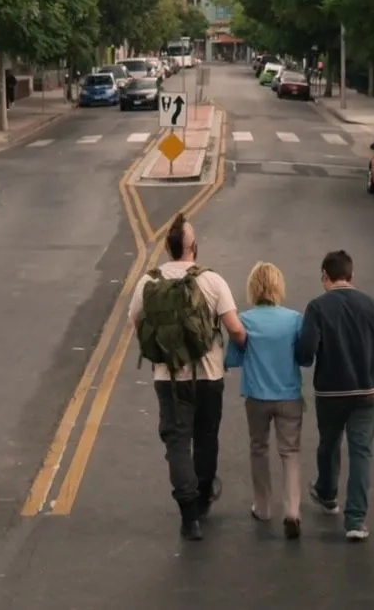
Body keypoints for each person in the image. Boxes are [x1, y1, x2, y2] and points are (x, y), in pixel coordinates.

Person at [128, 215, 246, 541]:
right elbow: (235, 329)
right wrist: (245, 346)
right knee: (206, 436)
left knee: (177, 442)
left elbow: (136, 323)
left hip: (168, 378)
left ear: (167, 248)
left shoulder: (148, 282)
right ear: (193, 246)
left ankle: (188, 514)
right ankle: (205, 495)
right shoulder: (212, 281)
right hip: (209, 375)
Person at [295, 249, 374, 541]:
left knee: (329, 444)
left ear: (325, 276)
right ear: (352, 276)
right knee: (361, 452)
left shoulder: (317, 308)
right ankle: (356, 521)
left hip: (331, 392)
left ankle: (327, 493)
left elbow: (306, 355)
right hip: (367, 392)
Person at [223, 262, 306, 540]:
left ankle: (263, 506)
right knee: (290, 452)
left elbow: (233, 359)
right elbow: (303, 356)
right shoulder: (295, 319)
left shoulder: (245, 320)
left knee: (259, 448)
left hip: (257, 396)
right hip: (289, 395)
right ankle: (292, 510)